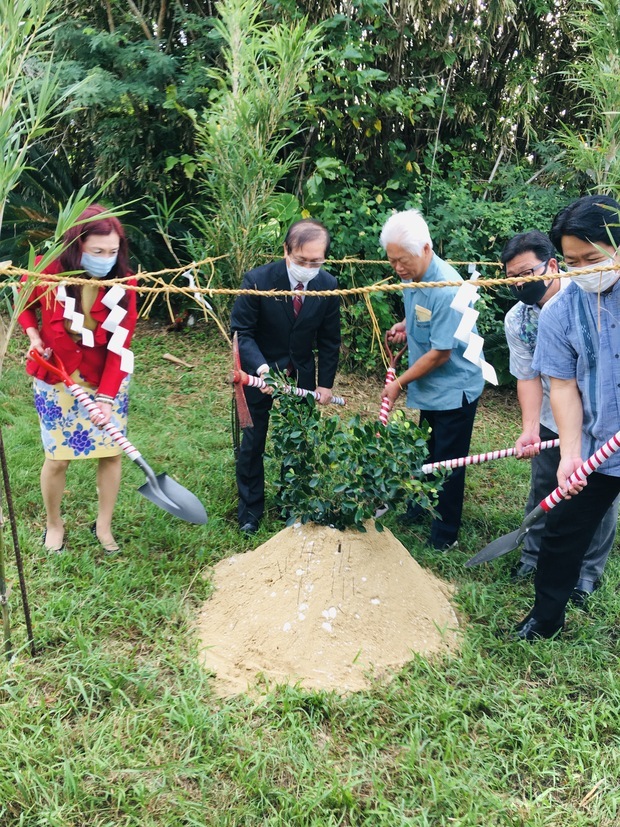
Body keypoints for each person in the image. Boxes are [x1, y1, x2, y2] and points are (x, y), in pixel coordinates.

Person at [515, 194, 620, 639]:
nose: (583, 270)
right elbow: (562, 386)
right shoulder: (560, 311)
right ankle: (545, 619)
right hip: (600, 445)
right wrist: (571, 455)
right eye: (573, 261)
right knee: (561, 530)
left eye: (592, 258)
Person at [18, 204, 138, 555]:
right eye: (96, 251)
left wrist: (106, 397)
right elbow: (23, 300)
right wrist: (32, 334)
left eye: (113, 251)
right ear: (77, 246)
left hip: (106, 379)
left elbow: (121, 346)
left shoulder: (125, 282)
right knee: (57, 458)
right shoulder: (49, 269)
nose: (106, 258)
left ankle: (103, 525)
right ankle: (54, 524)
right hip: (56, 375)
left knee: (111, 452)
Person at [380, 209, 484, 550]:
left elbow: (441, 353)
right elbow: (422, 316)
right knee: (427, 452)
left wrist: (398, 384)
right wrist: (405, 327)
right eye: (392, 260)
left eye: (403, 260)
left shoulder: (446, 286)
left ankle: (445, 534)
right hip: (432, 388)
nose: (398, 268)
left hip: (455, 388)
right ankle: (419, 505)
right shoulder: (414, 277)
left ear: (426, 248)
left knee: (449, 463)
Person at [230, 218, 341, 535]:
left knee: (299, 441)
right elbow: (242, 332)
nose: (308, 267)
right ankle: (250, 511)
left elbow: (330, 340)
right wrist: (262, 369)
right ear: (286, 251)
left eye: (315, 262)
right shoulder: (258, 280)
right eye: (301, 260)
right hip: (260, 372)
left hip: (302, 373)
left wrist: (325, 384)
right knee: (252, 442)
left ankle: (292, 503)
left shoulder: (328, 286)